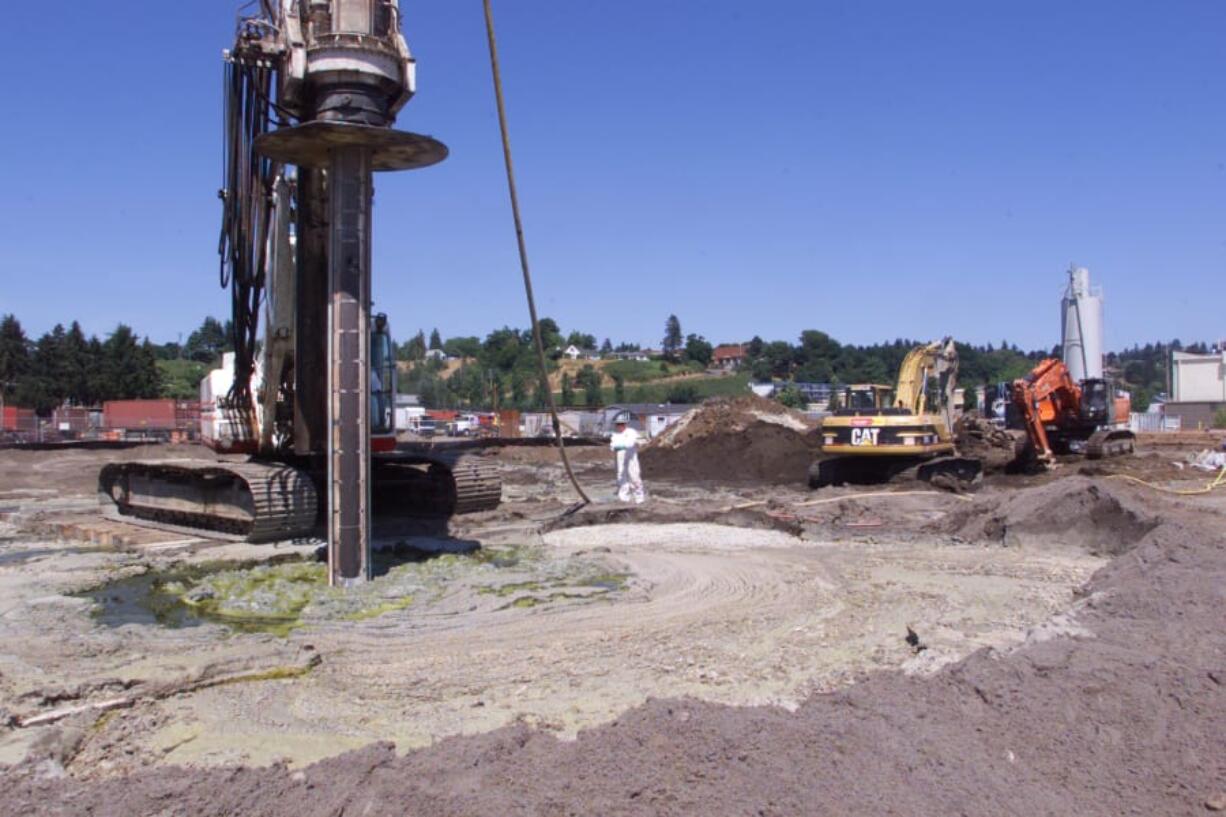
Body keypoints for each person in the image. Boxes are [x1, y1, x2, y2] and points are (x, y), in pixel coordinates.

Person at [609, 412, 646, 504]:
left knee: (634, 477)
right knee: (621, 478)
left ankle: (639, 498)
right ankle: (624, 499)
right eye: (618, 424)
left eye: (621, 424)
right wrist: (616, 446)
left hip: (631, 459)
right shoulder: (615, 434)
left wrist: (621, 446)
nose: (619, 426)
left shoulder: (631, 432)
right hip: (620, 460)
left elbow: (630, 443)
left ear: (625, 424)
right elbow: (612, 445)